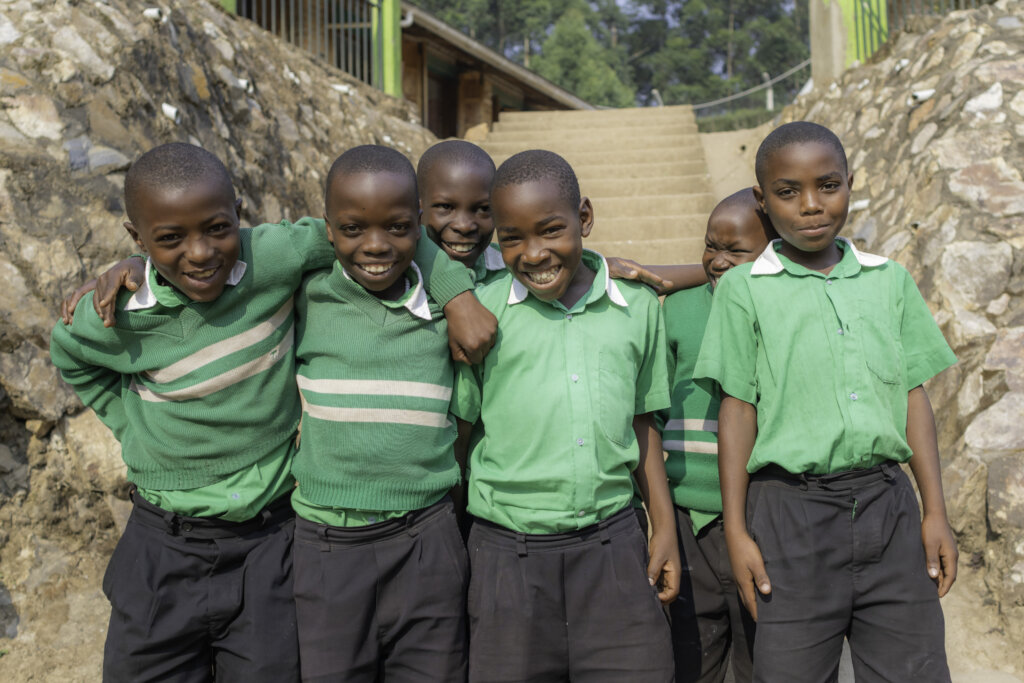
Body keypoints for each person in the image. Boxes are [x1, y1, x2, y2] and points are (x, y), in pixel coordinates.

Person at [49, 142, 483, 682]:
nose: (200, 253)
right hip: (164, 543)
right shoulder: (119, 314)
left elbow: (381, 226)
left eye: (217, 229)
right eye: (170, 239)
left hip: (271, 543)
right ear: (138, 239)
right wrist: (136, 429)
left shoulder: (273, 257)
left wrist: (457, 295)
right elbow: (69, 354)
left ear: (239, 214)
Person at [695, 121, 958, 683]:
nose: (811, 205)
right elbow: (737, 411)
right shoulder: (744, 290)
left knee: (914, 669)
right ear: (763, 201)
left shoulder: (889, 281)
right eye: (788, 192)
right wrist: (737, 531)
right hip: (789, 515)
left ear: (850, 184)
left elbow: (912, 396)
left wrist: (934, 511)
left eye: (828, 186)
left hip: (888, 507)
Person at [452, 149, 680, 682]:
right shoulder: (483, 316)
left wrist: (664, 527)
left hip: (614, 548)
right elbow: (460, 440)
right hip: (507, 557)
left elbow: (643, 423)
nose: (534, 254)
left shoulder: (636, 309)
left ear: (585, 218)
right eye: (512, 238)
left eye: (551, 230)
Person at [291, 145, 468, 681]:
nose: (375, 245)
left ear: (419, 225)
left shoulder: (451, 307)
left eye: (396, 227)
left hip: (427, 539)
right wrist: (134, 266)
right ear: (328, 229)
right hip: (327, 545)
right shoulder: (302, 294)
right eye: (352, 229)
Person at [660, 187, 775, 683]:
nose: (719, 260)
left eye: (736, 251)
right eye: (711, 246)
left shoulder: (782, 310)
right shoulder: (677, 309)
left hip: (762, 517)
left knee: (762, 660)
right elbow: (654, 410)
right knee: (690, 660)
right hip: (688, 520)